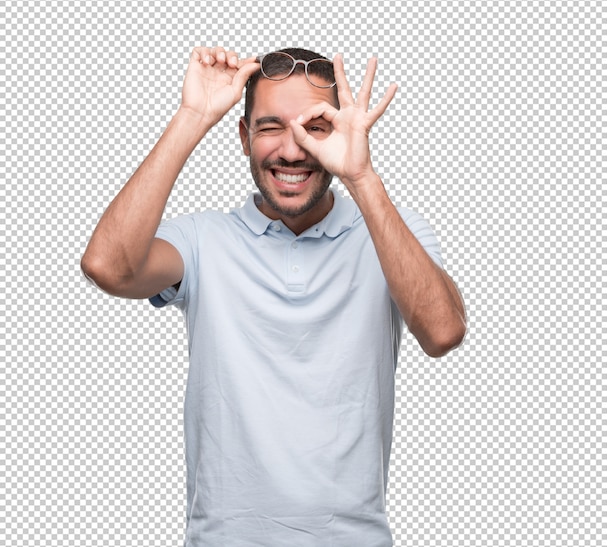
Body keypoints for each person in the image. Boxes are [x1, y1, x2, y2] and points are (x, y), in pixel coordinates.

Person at [81, 46, 466, 547]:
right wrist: (193, 117)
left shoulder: (391, 232)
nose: (292, 150)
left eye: (316, 127)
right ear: (243, 137)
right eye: (269, 127)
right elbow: (107, 267)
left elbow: (443, 332)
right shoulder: (202, 241)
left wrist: (361, 176)